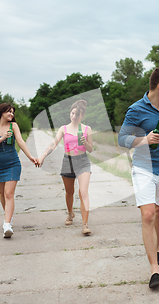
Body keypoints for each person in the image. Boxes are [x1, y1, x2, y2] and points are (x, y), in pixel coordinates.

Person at [118, 67, 159, 289]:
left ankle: (156, 247)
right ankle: (155, 269)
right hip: (144, 168)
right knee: (149, 214)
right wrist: (144, 140)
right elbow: (122, 138)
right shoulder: (136, 109)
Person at [37, 100, 94, 235]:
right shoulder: (64, 129)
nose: (74, 116)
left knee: (83, 192)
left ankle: (85, 224)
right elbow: (53, 144)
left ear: (82, 116)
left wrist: (85, 142)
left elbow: (91, 149)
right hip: (68, 161)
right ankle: (70, 213)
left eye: (77, 115)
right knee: (69, 192)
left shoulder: (87, 129)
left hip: (82, 161)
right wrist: (43, 156)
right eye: (72, 113)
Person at [0, 103, 38, 238]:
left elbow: (20, 142)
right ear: (1, 112)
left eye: (13, 113)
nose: (11, 115)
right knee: (2, 194)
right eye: (9, 112)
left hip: (12, 163)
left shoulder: (13, 126)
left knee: (9, 194)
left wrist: (30, 157)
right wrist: (2, 138)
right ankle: (8, 218)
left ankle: (7, 224)